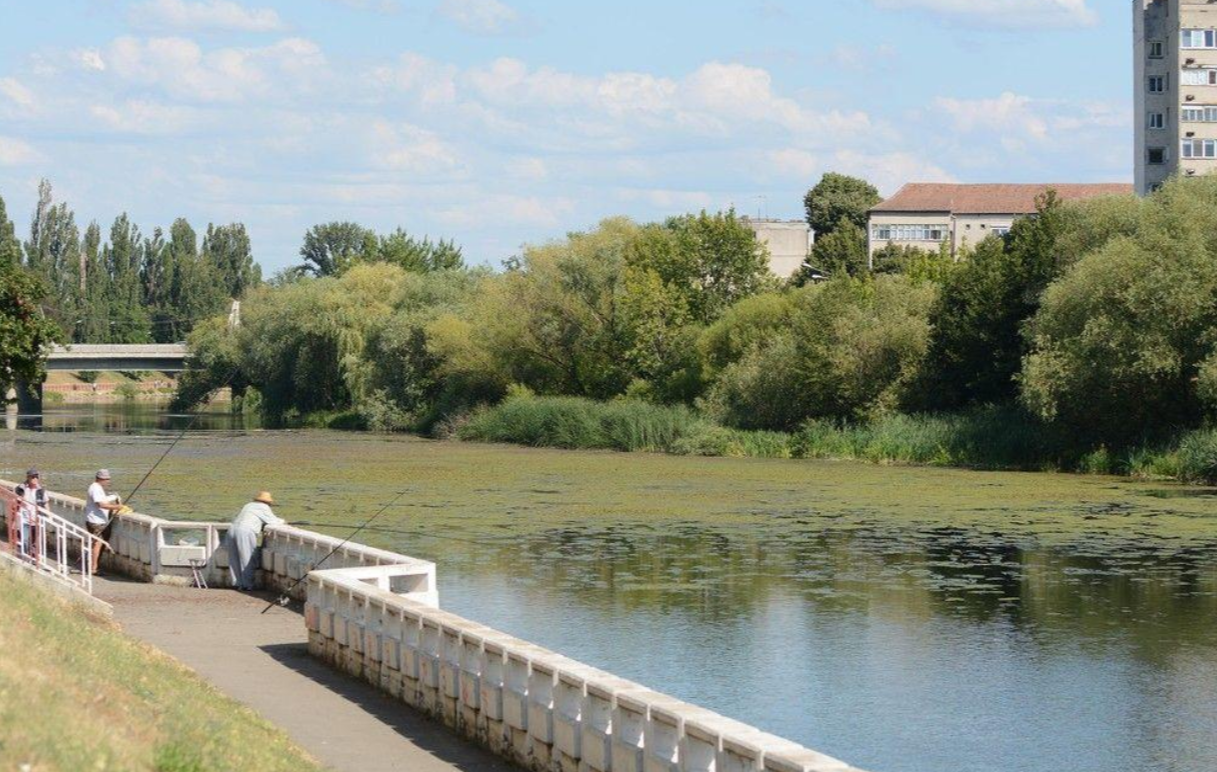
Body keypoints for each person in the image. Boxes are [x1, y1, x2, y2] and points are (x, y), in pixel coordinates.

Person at [225, 492, 283, 591]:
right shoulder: (263, 507)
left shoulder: (248, 505)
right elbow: (273, 521)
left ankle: (238, 583)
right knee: (247, 557)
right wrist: (283, 521)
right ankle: (247, 585)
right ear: (267, 502)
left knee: (234, 558)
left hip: (232, 530)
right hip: (245, 530)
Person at [85, 469, 123, 574]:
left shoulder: (97, 488)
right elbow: (101, 504)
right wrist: (117, 507)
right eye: (107, 479)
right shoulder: (95, 488)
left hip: (98, 521)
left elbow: (102, 499)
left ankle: (94, 566)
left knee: (98, 543)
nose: (108, 481)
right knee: (97, 544)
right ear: (101, 479)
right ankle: (93, 568)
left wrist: (113, 497)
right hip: (96, 521)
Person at [14, 468, 46, 559]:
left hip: (36, 518)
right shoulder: (21, 489)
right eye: (33, 477)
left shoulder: (40, 490)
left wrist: (49, 515)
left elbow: (46, 503)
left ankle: (33, 558)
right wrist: (14, 519)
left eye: (37, 477)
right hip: (24, 518)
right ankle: (24, 557)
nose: (35, 479)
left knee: (35, 541)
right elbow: (15, 502)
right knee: (24, 539)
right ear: (28, 478)